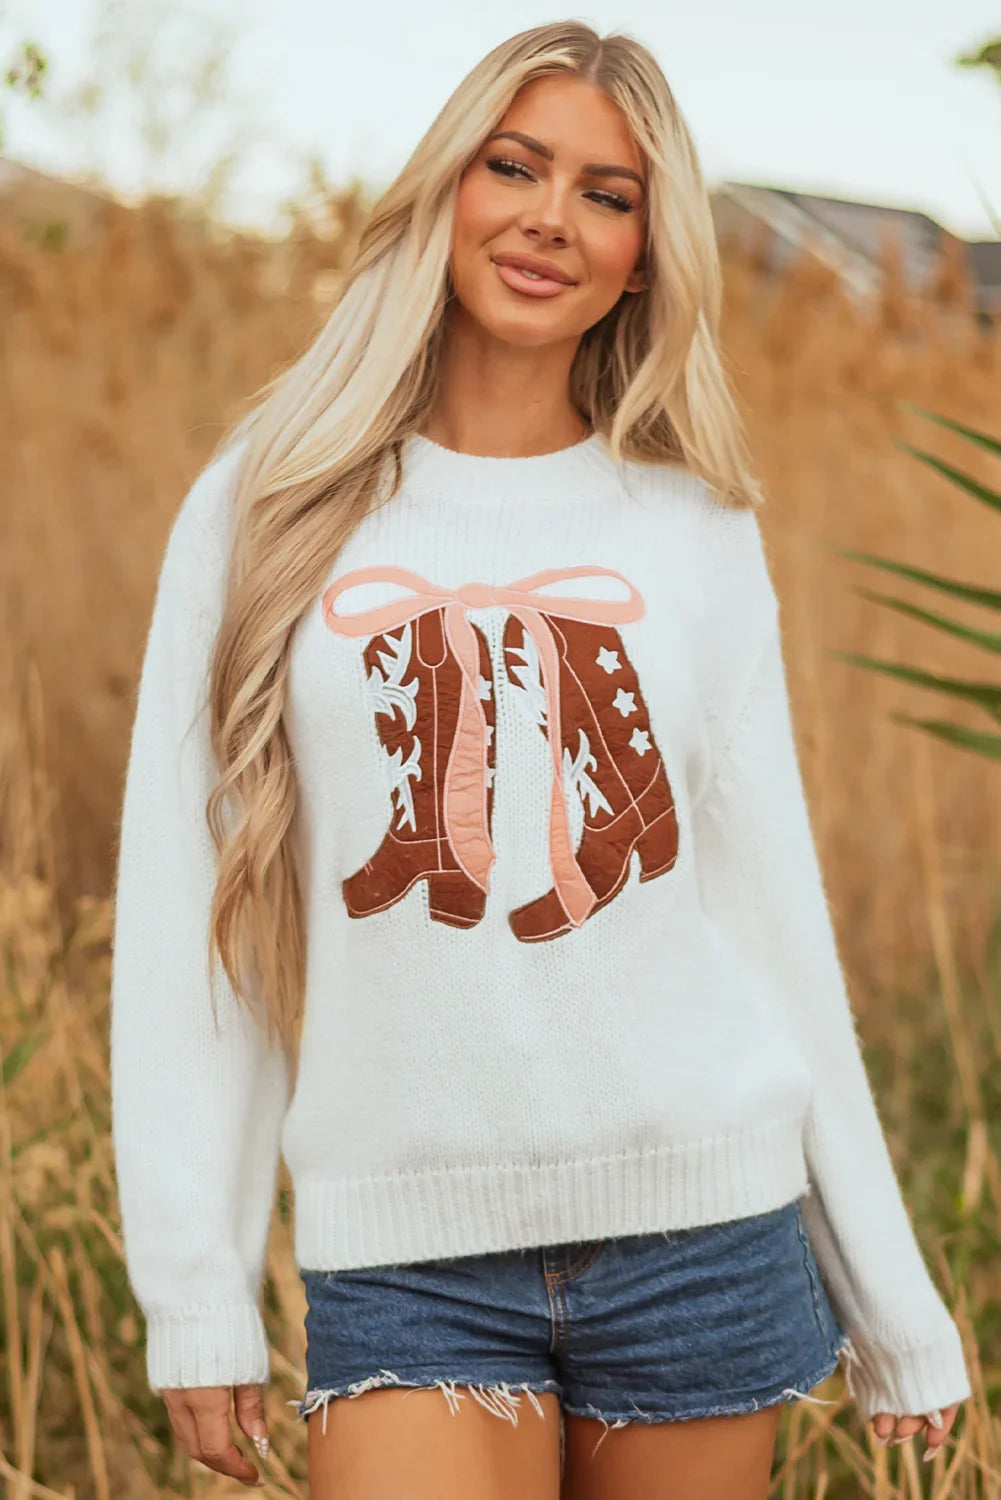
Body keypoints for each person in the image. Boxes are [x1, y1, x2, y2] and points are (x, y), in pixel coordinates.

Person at [109, 21, 971, 1500]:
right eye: (513, 166)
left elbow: (767, 919)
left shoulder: (691, 525)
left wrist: (892, 1302)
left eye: (606, 193)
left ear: (644, 253)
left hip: (699, 1235)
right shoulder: (270, 500)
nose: (547, 219)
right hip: (409, 1250)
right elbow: (196, 900)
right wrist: (195, 1286)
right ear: (447, 186)